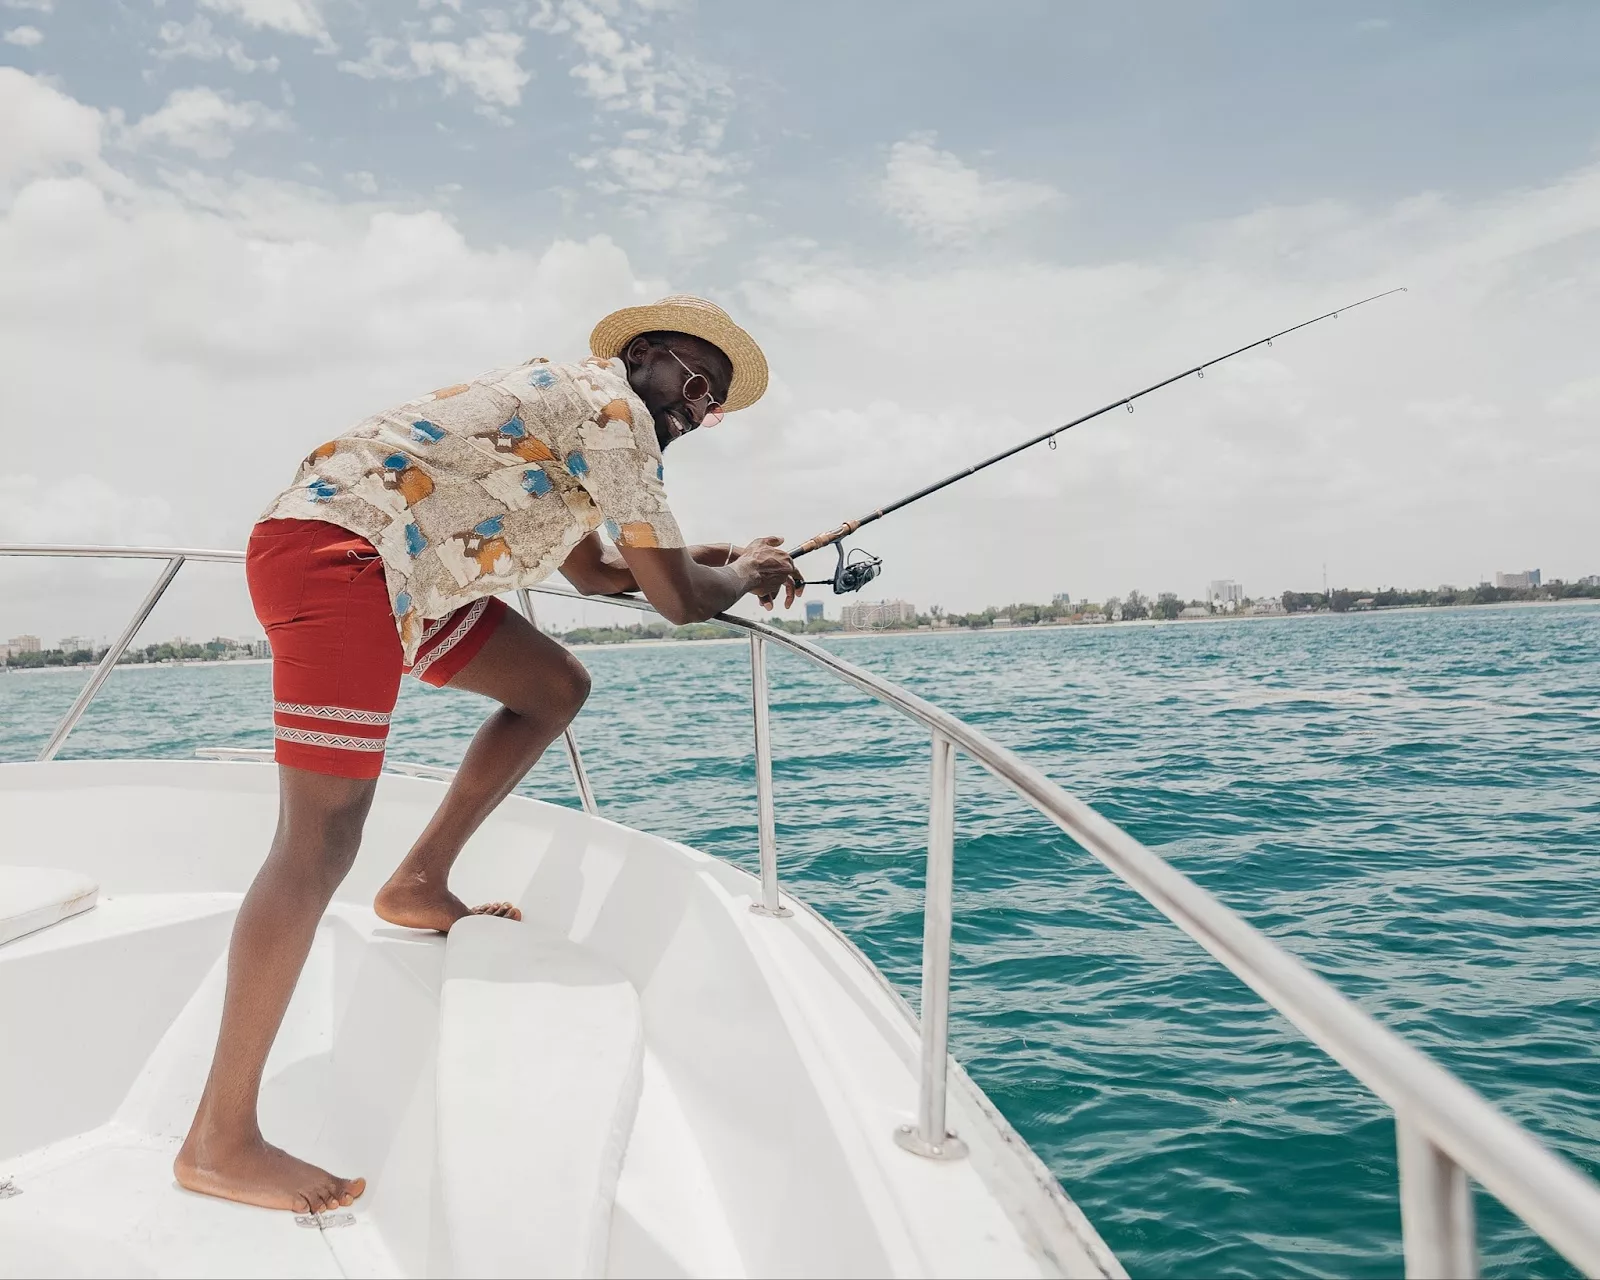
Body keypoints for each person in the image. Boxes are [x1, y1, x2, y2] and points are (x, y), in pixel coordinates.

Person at [174, 295, 800, 1214]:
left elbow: (595, 571)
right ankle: (218, 1140)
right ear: (647, 355)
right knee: (317, 844)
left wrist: (695, 555)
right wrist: (741, 571)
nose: (695, 411)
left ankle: (419, 882)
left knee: (553, 687)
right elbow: (677, 599)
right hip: (345, 560)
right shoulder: (618, 414)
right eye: (694, 382)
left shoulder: (586, 416)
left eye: (710, 407)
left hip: (405, 577)